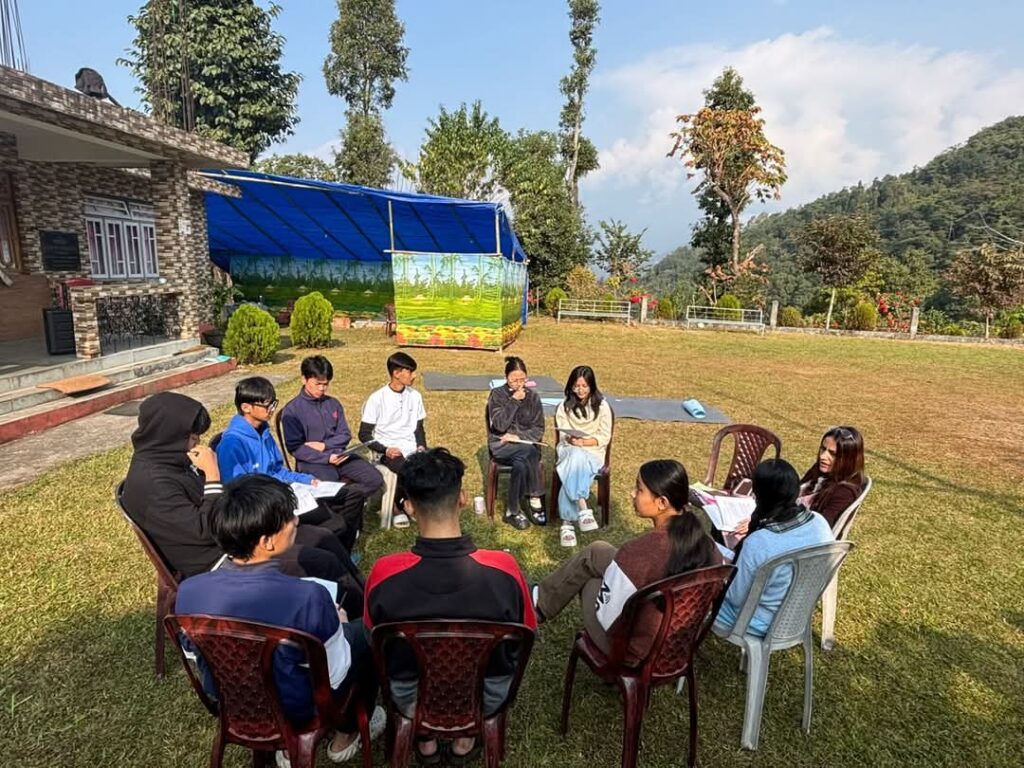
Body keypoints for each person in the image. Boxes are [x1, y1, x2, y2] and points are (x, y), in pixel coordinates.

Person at [174, 476, 385, 765]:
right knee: (363, 635)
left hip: (232, 700)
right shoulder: (310, 596)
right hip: (300, 707)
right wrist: (342, 625)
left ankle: (286, 747)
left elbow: (194, 654)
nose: (296, 521)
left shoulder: (188, 591)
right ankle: (348, 732)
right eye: (289, 518)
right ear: (266, 541)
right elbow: (336, 672)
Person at [364, 448, 536, 765]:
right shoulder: (505, 570)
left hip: (409, 695)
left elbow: (372, 639)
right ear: (463, 499)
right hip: (487, 694)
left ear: (409, 507)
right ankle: (465, 740)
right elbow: (525, 637)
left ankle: (425, 741)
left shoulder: (383, 573)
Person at [122, 392, 363, 611]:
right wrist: (212, 475)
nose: (197, 443)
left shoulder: (166, 460)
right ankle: (360, 623)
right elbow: (203, 531)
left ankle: (364, 599)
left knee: (323, 537)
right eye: (193, 437)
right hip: (218, 561)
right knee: (323, 562)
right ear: (169, 436)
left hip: (234, 537)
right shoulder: (152, 481)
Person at [533, 459, 721, 664]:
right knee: (596, 551)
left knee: (591, 582)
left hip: (633, 653)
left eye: (639, 489)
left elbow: (610, 617)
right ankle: (539, 602)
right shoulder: (708, 546)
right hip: (678, 644)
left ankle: (536, 609)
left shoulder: (639, 553)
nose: (632, 494)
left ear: (662, 502)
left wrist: (608, 583)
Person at [216, 376, 365, 552]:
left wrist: (307, 480)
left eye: (274, 403)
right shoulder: (232, 443)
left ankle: (342, 551)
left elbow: (278, 471)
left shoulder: (263, 432)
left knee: (351, 498)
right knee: (334, 526)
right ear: (246, 407)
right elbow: (239, 493)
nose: (272, 410)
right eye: (267, 405)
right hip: (268, 509)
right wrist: (282, 497)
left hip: (286, 495)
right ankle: (333, 553)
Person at [715, 459, 835, 637]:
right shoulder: (819, 522)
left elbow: (735, 598)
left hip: (755, 621)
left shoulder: (759, 542)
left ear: (757, 495)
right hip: (797, 617)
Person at [280, 354, 385, 507]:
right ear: (304, 379)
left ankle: (348, 502)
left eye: (326, 384)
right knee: (330, 489)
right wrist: (326, 458)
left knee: (374, 479)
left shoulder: (333, 404)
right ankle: (344, 505)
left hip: (340, 456)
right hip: (312, 461)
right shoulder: (292, 411)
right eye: (317, 384)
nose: (322, 388)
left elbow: (345, 435)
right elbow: (296, 448)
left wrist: (325, 446)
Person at [358, 352, 427, 529]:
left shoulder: (415, 396)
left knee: (432, 466)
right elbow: (364, 434)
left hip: (411, 446)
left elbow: (419, 428)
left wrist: (421, 446)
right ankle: (399, 505)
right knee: (406, 469)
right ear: (396, 373)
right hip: (388, 450)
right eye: (410, 372)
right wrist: (385, 449)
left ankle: (416, 503)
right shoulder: (377, 399)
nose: (414, 376)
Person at [553, 365, 613, 547]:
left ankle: (567, 523)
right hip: (568, 448)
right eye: (576, 386)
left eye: (584, 386)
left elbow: (604, 437)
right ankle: (582, 506)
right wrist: (571, 440)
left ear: (591, 386)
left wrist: (584, 443)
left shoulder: (602, 406)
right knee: (575, 455)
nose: (580, 390)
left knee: (575, 462)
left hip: (593, 451)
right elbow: (562, 434)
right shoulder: (564, 406)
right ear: (571, 386)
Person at [486, 356, 546, 530]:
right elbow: (499, 425)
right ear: (506, 378)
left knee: (521, 461)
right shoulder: (497, 394)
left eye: (522, 379)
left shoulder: (533, 397)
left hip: (524, 444)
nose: (519, 384)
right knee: (530, 452)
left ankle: (512, 511)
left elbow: (539, 428)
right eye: (514, 380)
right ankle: (535, 497)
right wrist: (513, 401)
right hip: (501, 444)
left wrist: (518, 436)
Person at [799, 426, 866, 528]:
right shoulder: (819, 469)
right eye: (823, 449)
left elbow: (820, 528)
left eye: (833, 454)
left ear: (848, 459)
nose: (823, 456)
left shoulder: (845, 493)